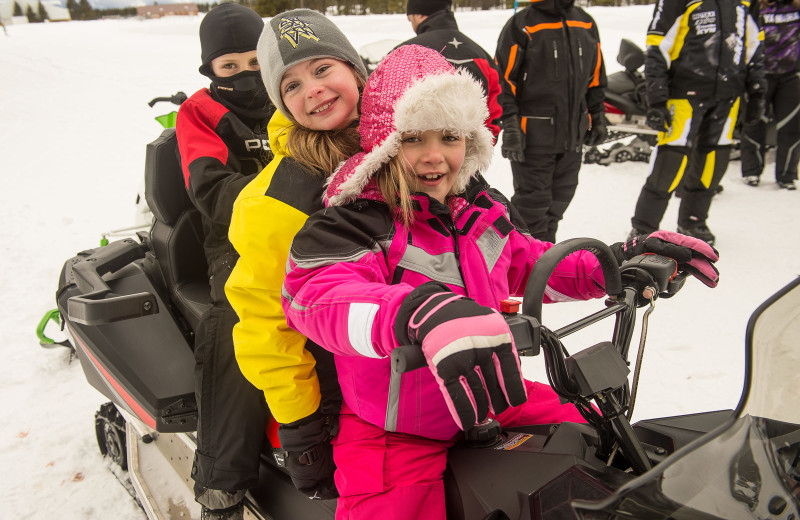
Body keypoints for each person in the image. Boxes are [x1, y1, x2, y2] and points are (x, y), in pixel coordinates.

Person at [280, 45, 720, 520]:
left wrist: (617, 264)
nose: (434, 157)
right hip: (396, 429)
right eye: (413, 139)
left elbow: (531, 266)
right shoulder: (353, 223)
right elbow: (317, 296)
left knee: (599, 449)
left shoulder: (477, 211)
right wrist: (415, 314)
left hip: (493, 398)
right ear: (386, 144)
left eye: (449, 136)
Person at [224, 7, 368, 506]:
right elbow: (265, 320)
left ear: (355, 69)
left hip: (439, 364)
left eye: (323, 68)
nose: (313, 90)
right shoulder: (276, 200)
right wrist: (303, 426)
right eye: (290, 85)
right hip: (345, 392)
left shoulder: (414, 148)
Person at [174, 4, 274, 518]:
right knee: (239, 318)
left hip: (317, 228)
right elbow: (209, 188)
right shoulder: (199, 113)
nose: (245, 76)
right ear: (209, 70)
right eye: (228, 67)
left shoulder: (294, 91)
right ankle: (221, 485)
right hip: (234, 240)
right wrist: (284, 193)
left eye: (255, 62)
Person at [628, 0, 766, 245]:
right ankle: (644, 227)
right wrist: (657, 98)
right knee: (670, 163)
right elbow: (658, 45)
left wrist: (756, 91)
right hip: (683, 94)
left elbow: (755, 45)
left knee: (713, 162)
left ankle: (693, 221)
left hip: (728, 95)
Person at [494, 0, 608, 243]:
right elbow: (503, 81)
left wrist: (597, 115)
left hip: (572, 136)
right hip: (533, 137)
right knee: (532, 208)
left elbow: (596, 75)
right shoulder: (523, 23)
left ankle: (545, 263)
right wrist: (511, 125)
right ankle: (525, 269)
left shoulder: (585, 22)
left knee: (558, 204)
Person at [399, 0, 503, 139]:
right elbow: (495, 110)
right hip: (471, 154)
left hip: (420, 155)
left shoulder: (405, 53)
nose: (412, 25)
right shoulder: (482, 55)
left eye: (410, 20)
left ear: (419, 15)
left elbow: (386, 112)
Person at [740, 0, 800, 191]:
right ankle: (751, 170)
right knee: (754, 122)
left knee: (791, 126)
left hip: (792, 74)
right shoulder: (754, 5)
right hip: (760, 73)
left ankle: (787, 175)